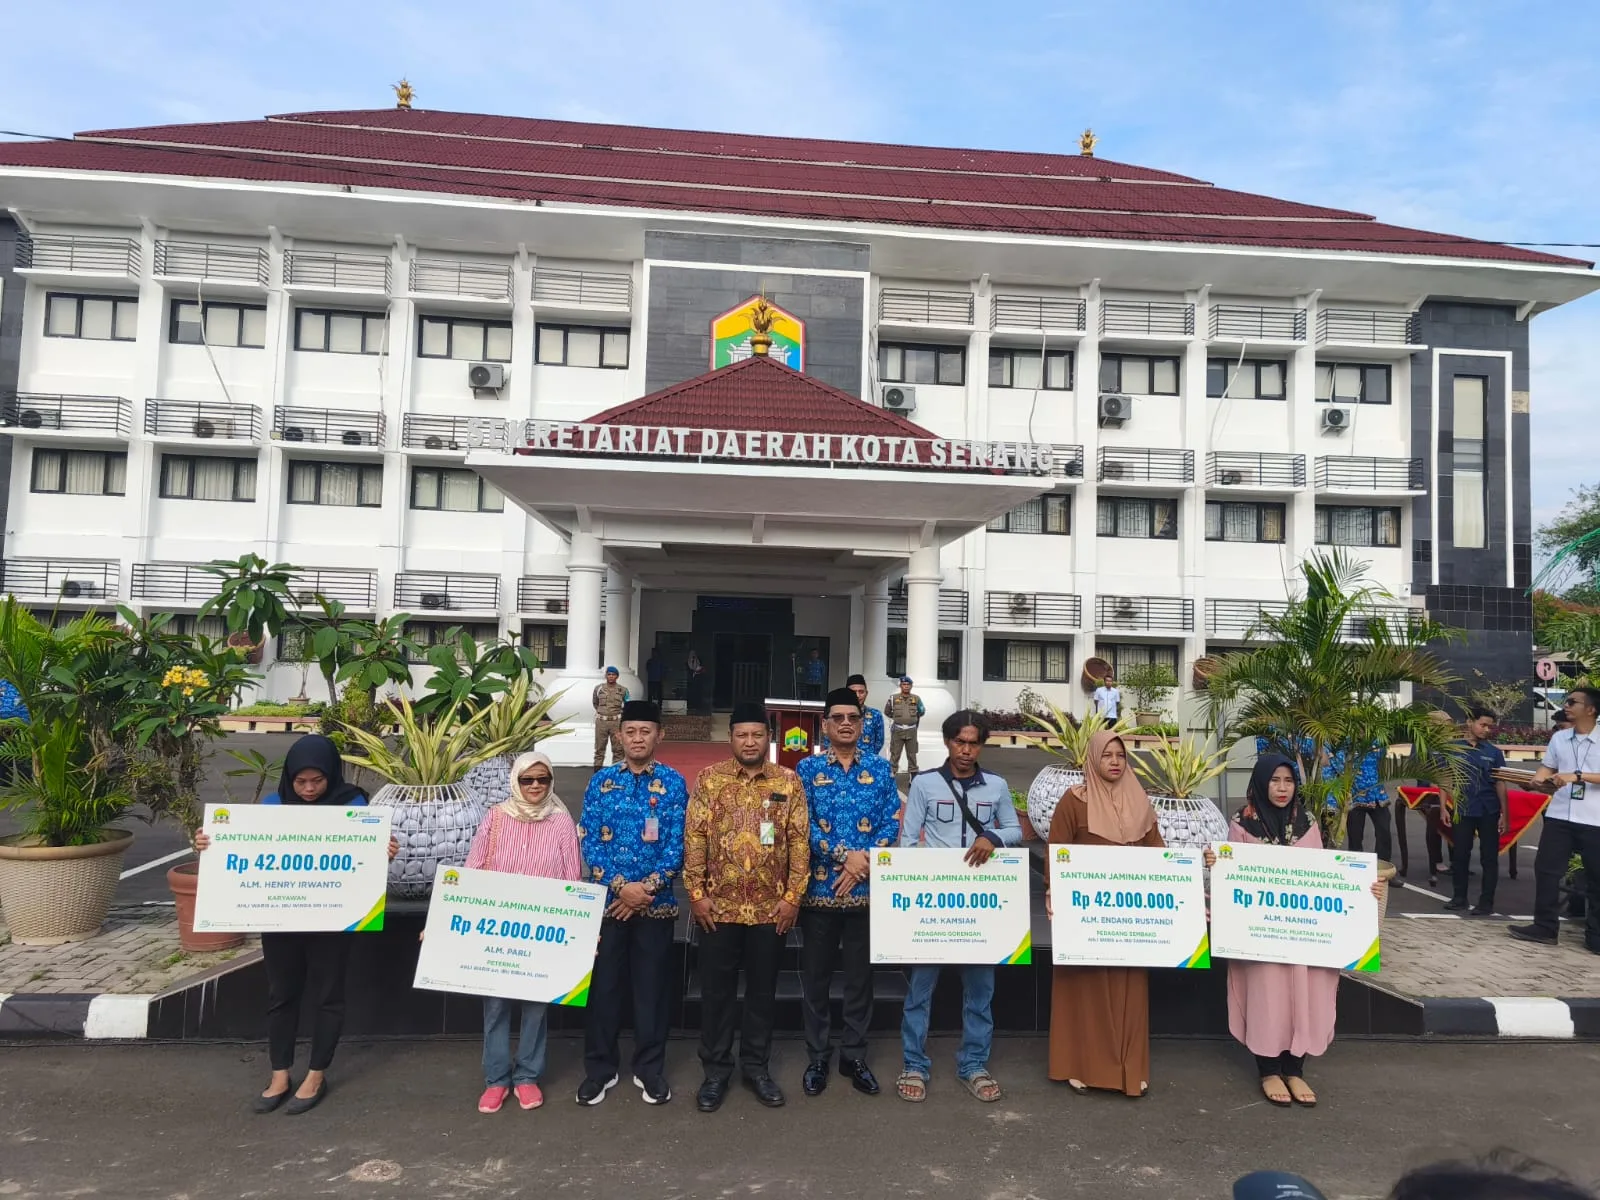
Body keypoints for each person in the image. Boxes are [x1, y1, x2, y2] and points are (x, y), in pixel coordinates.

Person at [193, 734, 398, 1115]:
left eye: (317, 781)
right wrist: (211, 843)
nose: (308, 789)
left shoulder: (353, 804)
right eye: (300, 781)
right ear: (289, 777)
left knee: (328, 995)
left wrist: (383, 851)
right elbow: (245, 846)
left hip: (334, 917)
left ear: (331, 774)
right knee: (282, 994)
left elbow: (364, 859)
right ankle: (279, 1074)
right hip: (282, 916)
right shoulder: (273, 805)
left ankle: (317, 1074)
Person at [1203, 755, 1379, 1107]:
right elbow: (1232, 875)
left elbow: (1325, 877)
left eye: (1288, 781)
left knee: (1305, 994)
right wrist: (1216, 864)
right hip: (1261, 933)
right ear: (1261, 783)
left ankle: (1295, 1069)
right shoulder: (1243, 823)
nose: (1282, 788)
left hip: (1302, 935)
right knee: (1267, 995)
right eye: (1274, 780)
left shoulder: (1307, 823)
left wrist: (1363, 889)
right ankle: (1269, 1070)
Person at [684, 703, 810, 1112]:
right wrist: (696, 893)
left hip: (771, 910)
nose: (750, 742)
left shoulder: (788, 781)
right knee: (717, 994)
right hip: (717, 908)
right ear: (731, 738)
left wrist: (792, 897)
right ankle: (716, 1071)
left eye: (757, 735)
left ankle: (756, 1067)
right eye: (742, 735)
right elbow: (695, 837)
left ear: (769, 738)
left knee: (761, 992)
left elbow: (799, 841)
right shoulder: (710, 779)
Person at [896, 710, 1021, 1104]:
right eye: (959, 742)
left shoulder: (996, 786)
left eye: (973, 743)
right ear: (949, 742)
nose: (966, 750)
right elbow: (907, 841)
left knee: (980, 990)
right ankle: (914, 1064)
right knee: (920, 990)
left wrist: (992, 837)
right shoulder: (925, 783)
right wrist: (911, 894)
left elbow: (1015, 829)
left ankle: (973, 1065)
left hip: (980, 905)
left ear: (981, 745)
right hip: (933, 903)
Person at [576, 699, 688, 1106]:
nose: (637, 739)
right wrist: (622, 888)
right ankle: (600, 1070)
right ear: (619, 736)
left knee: (651, 991)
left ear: (659, 735)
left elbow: (678, 845)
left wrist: (645, 891)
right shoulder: (602, 782)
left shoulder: (673, 783)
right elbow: (588, 839)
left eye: (645, 731)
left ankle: (649, 1069)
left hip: (655, 907)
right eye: (630, 732)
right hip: (609, 906)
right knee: (603, 991)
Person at [1046, 730, 1164, 1098]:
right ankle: (1082, 1066)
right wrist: (1053, 890)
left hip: (1129, 915)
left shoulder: (1140, 802)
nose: (1114, 762)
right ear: (1093, 759)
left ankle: (1130, 1068)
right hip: (1087, 915)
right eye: (1106, 755)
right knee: (1088, 988)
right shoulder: (1074, 801)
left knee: (1130, 989)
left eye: (1120, 755)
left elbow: (1159, 855)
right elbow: (1056, 850)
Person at [795, 687, 900, 1098]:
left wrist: (863, 863)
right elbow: (801, 825)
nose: (845, 723)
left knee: (860, 981)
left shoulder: (880, 769)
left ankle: (853, 1056)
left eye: (852, 718)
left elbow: (891, 822)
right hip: (820, 892)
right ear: (825, 725)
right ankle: (817, 1057)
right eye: (837, 717)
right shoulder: (806, 770)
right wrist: (845, 856)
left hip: (866, 891)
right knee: (816, 980)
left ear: (862, 723)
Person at [465, 750, 582, 1114]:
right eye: (527, 779)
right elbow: (473, 871)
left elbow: (572, 879)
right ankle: (497, 1079)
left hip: (543, 932)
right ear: (515, 781)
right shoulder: (496, 817)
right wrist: (443, 925)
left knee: (535, 1007)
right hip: (497, 930)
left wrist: (582, 931)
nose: (535, 786)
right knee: (496, 1007)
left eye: (542, 779)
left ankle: (528, 1076)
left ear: (551, 782)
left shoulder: (561, 822)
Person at [1510, 685, 1600, 951]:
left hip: (1595, 818)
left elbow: (1578, 775)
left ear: (1591, 709)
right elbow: (1547, 767)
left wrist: (1578, 776)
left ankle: (1596, 936)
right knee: (1547, 870)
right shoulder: (1560, 738)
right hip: (1560, 814)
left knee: (1597, 877)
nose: (1566, 706)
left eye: (1572, 702)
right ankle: (1545, 927)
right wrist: (1536, 781)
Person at [1446, 707, 1509, 915]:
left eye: (1490, 726)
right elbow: (1445, 779)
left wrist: (1504, 814)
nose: (1486, 730)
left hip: (1488, 810)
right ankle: (1459, 898)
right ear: (1469, 722)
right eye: (1483, 725)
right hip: (1463, 809)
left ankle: (1486, 902)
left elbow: (1500, 783)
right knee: (1460, 855)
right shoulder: (1454, 749)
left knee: (1489, 857)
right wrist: (1444, 808)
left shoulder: (1494, 753)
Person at [1338, 743, 1393, 865]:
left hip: (1377, 795)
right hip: (1355, 796)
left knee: (1384, 831)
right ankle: (1356, 869)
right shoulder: (1348, 741)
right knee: (1355, 838)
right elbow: (1339, 765)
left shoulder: (1378, 741)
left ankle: (1382, 867)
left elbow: (1382, 762)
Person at [819, 674, 884, 758]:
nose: (857, 695)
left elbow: (879, 742)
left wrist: (870, 759)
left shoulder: (876, 715)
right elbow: (827, 739)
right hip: (838, 759)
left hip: (867, 760)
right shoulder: (835, 714)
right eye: (854, 692)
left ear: (866, 693)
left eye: (861, 692)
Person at [883, 676, 925, 774]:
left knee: (912, 755)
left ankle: (913, 776)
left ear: (911, 686)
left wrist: (912, 719)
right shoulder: (893, 698)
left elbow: (922, 711)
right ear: (900, 686)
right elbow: (887, 711)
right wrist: (897, 718)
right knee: (895, 754)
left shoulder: (916, 699)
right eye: (904, 684)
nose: (906, 686)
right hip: (898, 730)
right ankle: (891, 775)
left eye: (908, 684)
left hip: (911, 731)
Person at [591, 667, 628, 769]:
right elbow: (595, 703)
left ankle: (616, 773)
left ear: (617, 676)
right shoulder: (598, 688)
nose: (611, 676)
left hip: (616, 722)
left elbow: (628, 705)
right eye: (609, 674)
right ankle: (597, 773)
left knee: (618, 750)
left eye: (613, 674)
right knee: (599, 749)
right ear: (606, 675)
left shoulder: (623, 690)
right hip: (601, 722)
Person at [0, 677, 27, 785]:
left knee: (23, 757)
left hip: (21, 727)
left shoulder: (23, 684)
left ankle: (26, 784)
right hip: (1, 727)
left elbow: (26, 708)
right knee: (4, 757)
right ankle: (4, 784)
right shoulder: (2, 683)